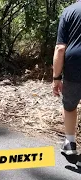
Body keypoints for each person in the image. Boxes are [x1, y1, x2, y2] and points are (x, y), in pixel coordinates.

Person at [53, 1, 81, 156]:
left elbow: (60, 48)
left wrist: (56, 77)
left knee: (70, 106)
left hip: (75, 66)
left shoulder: (69, 11)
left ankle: (70, 143)